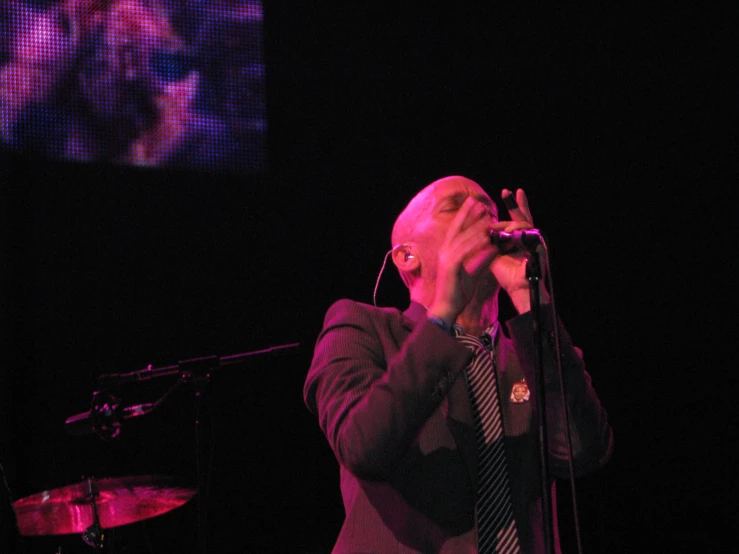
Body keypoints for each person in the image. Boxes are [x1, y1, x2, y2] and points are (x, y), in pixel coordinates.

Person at [304, 175, 614, 553]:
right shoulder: (362, 327)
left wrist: (529, 296)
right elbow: (363, 448)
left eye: (487, 207)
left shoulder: (529, 356)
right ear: (407, 256)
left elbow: (582, 453)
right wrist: (445, 313)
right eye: (456, 206)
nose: (484, 213)